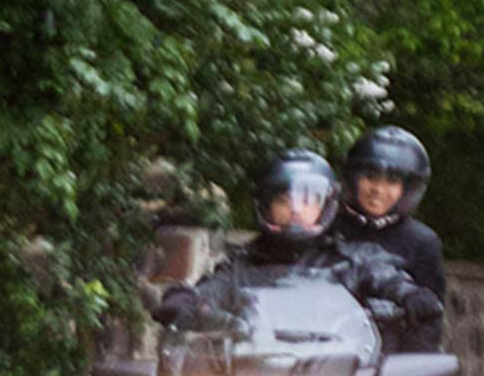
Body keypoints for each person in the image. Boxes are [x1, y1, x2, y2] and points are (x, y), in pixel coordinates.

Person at [157, 148, 445, 358]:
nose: (295, 209)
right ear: (266, 206)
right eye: (284, 200)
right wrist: (186, 299)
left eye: (307, 200)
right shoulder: (242, 264)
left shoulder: (352, 260)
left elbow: (386, 278)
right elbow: (212, 288)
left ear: (325, 206)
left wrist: (410, 295)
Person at [339, 124, 445, 306]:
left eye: (392, 181)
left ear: (407, 190)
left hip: (388, 334)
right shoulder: (326, 226)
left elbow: (430, 318)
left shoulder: (422, 242)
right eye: (371, 177)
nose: (378, 190)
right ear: (354, 178)